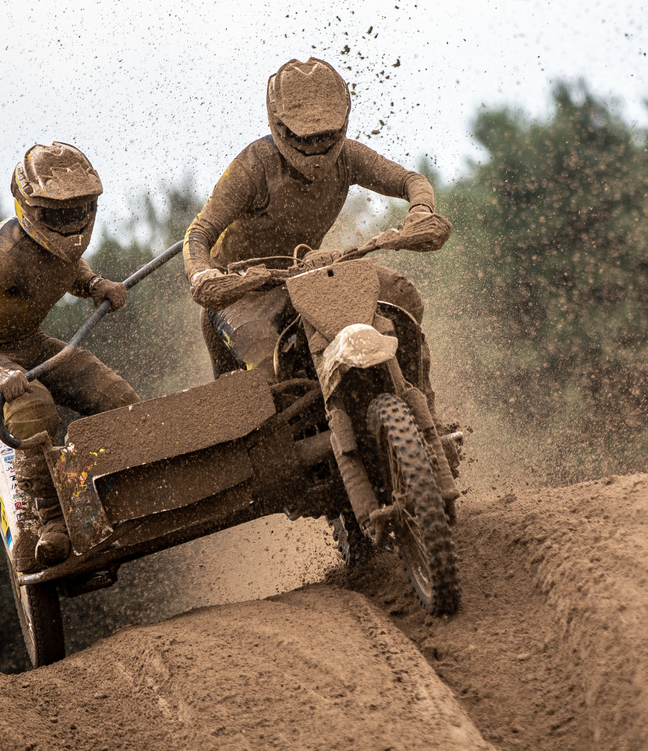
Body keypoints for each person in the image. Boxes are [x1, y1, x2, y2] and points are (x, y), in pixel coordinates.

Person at [182, 56, 459, 496]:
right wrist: (203, 275)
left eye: (326, 136)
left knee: (404, 297)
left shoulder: (348, 158)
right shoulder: (254, 165)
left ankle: (424, 405)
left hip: (310, 271)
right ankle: (288, 453)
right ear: (279, 125)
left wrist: (421, 211)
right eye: (303, 137)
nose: (315, 149)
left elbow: (411, 180)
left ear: (343, 122)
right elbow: (199, 233)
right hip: (243, 290)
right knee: (264, 359)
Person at [0, 143, 140, 572]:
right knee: (33, 407)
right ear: (31, 209)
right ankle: (51, 518)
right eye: (59, 215)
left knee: (117, 398)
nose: (71, 223)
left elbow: (68, 267)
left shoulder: (60, 245)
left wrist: (95, 284)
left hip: (30, 343)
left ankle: (125, 487)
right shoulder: (3, 254)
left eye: (80, 210)